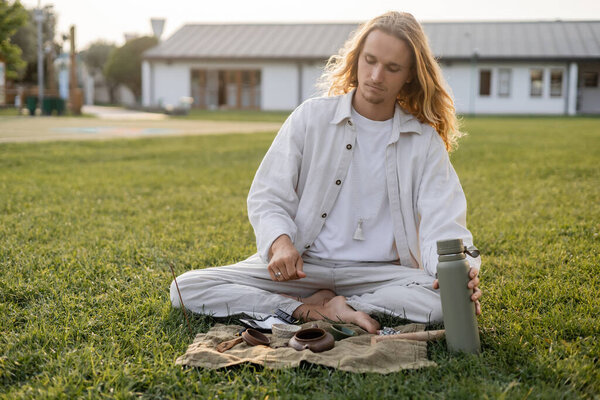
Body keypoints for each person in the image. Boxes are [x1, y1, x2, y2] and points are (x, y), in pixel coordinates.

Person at [170, 11, 482, 334]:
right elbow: (268, 195)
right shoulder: (311, 118)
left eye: (392, 68)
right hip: (305, 270)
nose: (376, 75)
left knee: (448, 300)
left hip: (381, 274)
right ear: (357, 58)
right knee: (185, 288)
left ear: (409, 76)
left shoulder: (422, 140)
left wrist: (458, 274)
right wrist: (281, 244)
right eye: (370, 60)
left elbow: (442, 222)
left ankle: (345, 306)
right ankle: (308, 310)